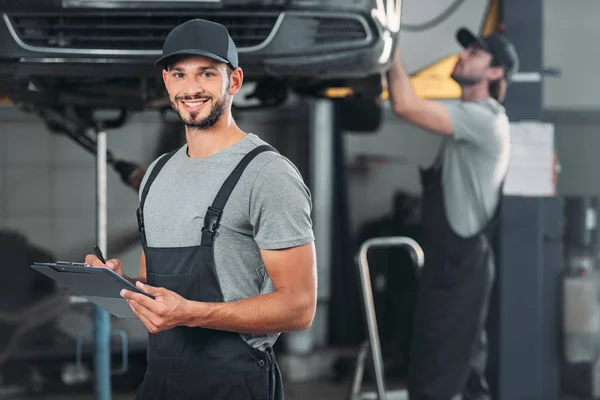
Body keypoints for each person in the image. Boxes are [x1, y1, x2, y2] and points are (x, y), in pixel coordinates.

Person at [84, 19, 317, 400]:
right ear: (166, 81)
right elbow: (156, 295)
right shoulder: (156, 174)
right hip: (160, 378)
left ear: (235, 81)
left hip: (233, 383)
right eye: (179, 74)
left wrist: (191, 312)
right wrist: (117, 287)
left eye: (207, 73)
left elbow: (299, 307)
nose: (191, 88)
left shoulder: (267, 174)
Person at [385, 27, 519, 400]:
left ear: (495, 73)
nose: (462, 56)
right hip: (457, 266)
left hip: (460, 270)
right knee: (465, 377)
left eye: (475, 53)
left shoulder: (484, 118)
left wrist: (390, 44)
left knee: (434, 378)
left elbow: (405, 105)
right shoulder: (468, 118)